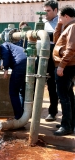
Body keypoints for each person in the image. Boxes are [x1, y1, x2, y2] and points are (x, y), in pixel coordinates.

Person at [53, 5, 75, 136]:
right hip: (68, 65)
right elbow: (56, 41)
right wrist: (58, 25)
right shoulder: (68, 27)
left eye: (60, 17)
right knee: (68, 94)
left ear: (66, 16)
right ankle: (69, 122)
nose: (59, 20)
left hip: (66, 66)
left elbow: (71, 49)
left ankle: (66, 126)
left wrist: (61, 65)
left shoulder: (72, 27)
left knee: (63, 96)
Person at [42, 0, 59, 122]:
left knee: (62, 87)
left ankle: (68, 118)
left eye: (48, 11)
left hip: (58, 56)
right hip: (44, 55)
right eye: (45, 11)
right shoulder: (43, 23)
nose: (46, 14)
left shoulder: (61, 22)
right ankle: (52, 112)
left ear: (55, 10)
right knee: (50, 85)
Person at [1, 42, 27, 120]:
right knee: (22, 92)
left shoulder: (4, 45)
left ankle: (18, 116)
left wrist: (5, 69)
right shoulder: (15, 47)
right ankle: (23, 115)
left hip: (19, 65)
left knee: (13, 92)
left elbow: (5, 54)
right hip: (29, 63)